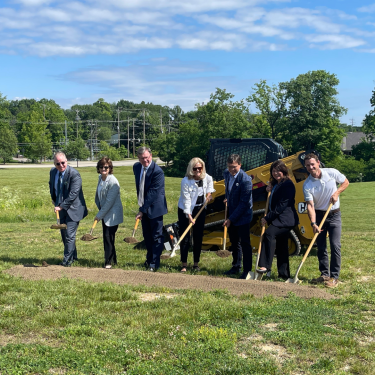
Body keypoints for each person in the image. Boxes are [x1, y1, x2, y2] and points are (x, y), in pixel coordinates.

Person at [303, 153, 349, 288]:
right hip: (319, 215)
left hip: (334, 214)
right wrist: (313, 223)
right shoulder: (307, 184)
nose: (311, 167)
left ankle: (334, 277)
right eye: (308, 165)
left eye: (312, 164)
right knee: (321, 246)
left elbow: (345, 182)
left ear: (318, 162)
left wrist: (337, 192)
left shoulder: (331, 173)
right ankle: (324, 274)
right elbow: (310, 205)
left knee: (335, 245)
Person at [257, 160, 299, 280]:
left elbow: (281, 205)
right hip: (279, 219)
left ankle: (265, 266)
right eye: (274, 171)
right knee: (282, 246)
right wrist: (268, 188)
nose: (276, 173)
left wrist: (267, 217)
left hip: (285, 220)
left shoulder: (288, 185)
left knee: (269, 234)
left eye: (278, 171)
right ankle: (284, 274)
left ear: (284, 171)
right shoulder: (276, 184)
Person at [49, 152, 88, 266]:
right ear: (54, 164)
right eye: (58, 164)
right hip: (61, 209)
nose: (61, 165)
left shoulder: (74, 174)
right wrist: (55, 200)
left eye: (63, 162)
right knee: (64, 235)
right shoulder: (53, 172)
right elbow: (52, 185)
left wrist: (62, 205)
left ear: (67, 161)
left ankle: (66, 261)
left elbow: (73, 193)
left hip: (74, 209)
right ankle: (73, 257)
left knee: (70, 235)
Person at [177, 157, 215, 272]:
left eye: (200, 168)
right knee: (185, 236)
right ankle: (184, 264)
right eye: (195, 168)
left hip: (200, 209)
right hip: (185, 210)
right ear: (191, 169)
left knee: (198, 236)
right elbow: (186, 200)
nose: (198, 170)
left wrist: (209, 195)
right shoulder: (185, 181)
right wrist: (189, 216)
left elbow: (210, 189)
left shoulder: (207, 178)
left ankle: (196, 264)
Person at [133, 147, 168, 272]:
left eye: (147, 157)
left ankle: (154, 263)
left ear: (151, 156)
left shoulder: (157, 171)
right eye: (142, 158)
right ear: (138, 158)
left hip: (155, 209)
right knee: (147, 236)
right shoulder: (136, 167)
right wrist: (142, 208)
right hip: (144, 207)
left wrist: (142, 210)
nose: (145, 160)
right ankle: (148, 260)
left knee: (156, 236)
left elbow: (153, 193)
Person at [223, 154, 253, 280]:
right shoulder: (226, 174)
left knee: (244, 243)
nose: (231, 170)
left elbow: (243, 203)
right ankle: (236, 266)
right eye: (230, 167)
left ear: (240, 165)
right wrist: (228, 198)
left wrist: (231, 219)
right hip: (232, 211)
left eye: (234, 167)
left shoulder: (245, 180)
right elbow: (229, 190)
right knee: (234, 242)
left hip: (244, 215)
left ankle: (247, 270)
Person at [94, 157, 123, 269]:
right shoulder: (100, 178)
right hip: (105, 212)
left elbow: (109, 202)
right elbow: (98, 197)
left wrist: (99, 215)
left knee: (108, 237)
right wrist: (100, 209)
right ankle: (113, 261)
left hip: (113, 214)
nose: (103, 169)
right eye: (101, 167)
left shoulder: (113, 182)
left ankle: (108, 262)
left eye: (106, 167)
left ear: (110, 168)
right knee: (108, 238)